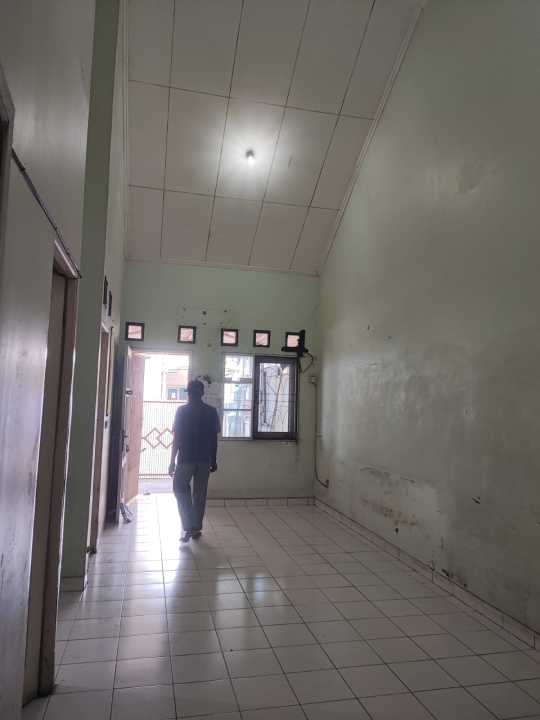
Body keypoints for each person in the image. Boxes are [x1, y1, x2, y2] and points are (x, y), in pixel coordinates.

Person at [169, 379, 220, 543]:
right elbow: (213, 439)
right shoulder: (211, 412)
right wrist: (214, 459)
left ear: (189, 394)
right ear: (202, 393)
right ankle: (195, 527)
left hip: (186, 459)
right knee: (200, 494)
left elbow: (177, 438)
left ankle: (190, 526)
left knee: (179, 489)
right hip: (204, 459)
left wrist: (172, 460)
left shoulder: (182, 411)